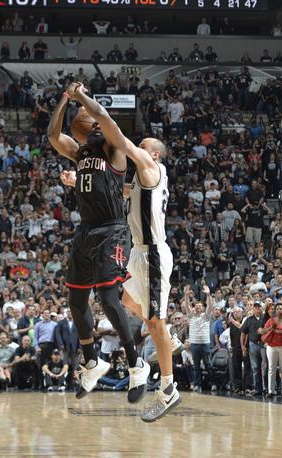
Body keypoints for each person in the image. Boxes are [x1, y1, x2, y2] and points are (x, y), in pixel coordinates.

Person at [66, 83, 181, 421]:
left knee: (155, 323)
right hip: (138, 254)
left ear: (153, 154)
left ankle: (168, 389)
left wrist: (85, 98)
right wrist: (78, 182)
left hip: (153, 254)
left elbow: (114, 133)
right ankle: (165, 334)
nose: (137, 148)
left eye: (143, 146)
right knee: (125, 301)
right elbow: (122, 188)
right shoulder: (145, 178)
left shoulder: (148, 163)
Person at [47, 82, 149, 402]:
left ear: (93, 125)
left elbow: (102, 113)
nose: (81, 114)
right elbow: (52, 135)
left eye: (83, 113)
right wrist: (65, 98)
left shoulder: (114, 147)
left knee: (107, 298)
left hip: (112, 230)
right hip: (86, 231)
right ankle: (92, 360)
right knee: (76, 302)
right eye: (79, 112)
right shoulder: (79, 153)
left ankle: (136, 364)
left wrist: (81, 97)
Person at [260, 303, 282, 398]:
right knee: (271, 368)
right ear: (275, 310)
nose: (279, 310)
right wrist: (270, 328)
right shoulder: (271, 320)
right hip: (271, 346)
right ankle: (271, 390)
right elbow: (262, 331)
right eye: (277, 308)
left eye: (281, 308)